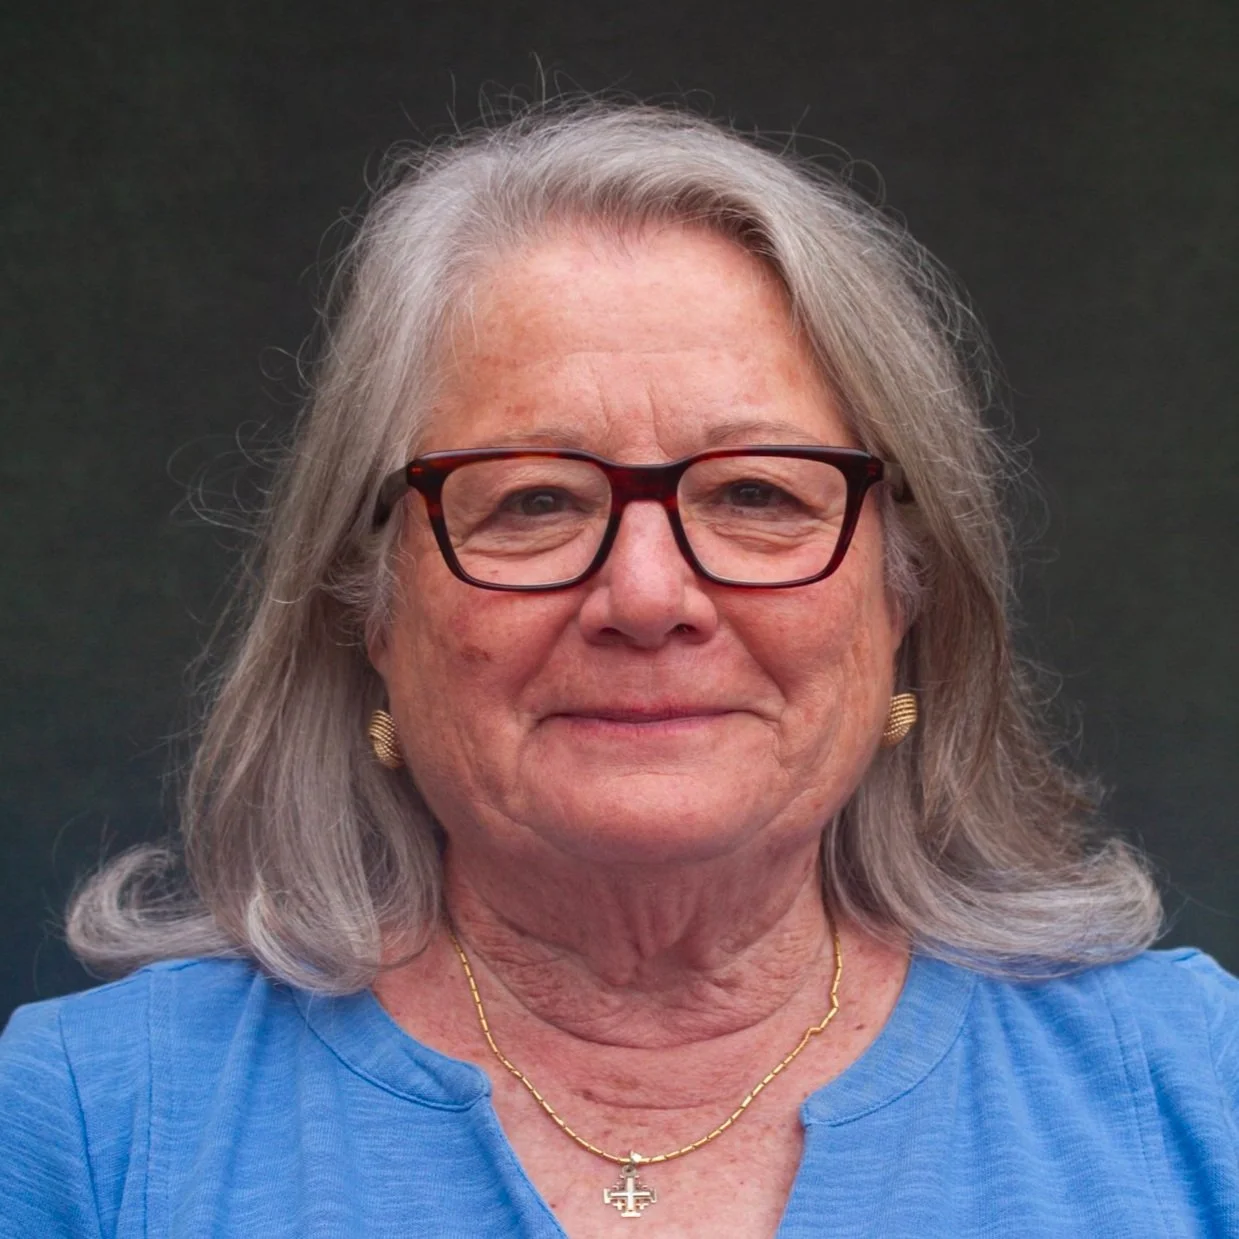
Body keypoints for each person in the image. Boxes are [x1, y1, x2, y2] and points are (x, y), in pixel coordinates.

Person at [2, 102, 1236, 1239]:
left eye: (757, 496)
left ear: (905, 597)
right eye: (533, 501)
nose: (648, 598)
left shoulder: (1196, 1090)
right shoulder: (87, 1133)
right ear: (368, 612)